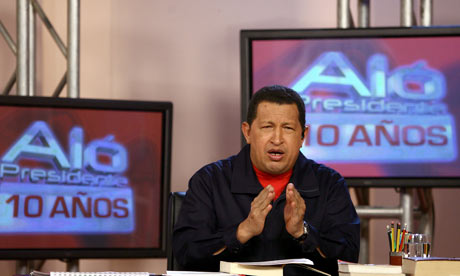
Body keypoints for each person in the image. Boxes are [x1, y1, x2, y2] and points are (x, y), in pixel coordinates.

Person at [172, 85, 360, 275]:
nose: (277, 139)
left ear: (303, 135)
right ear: (247, 132)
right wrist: (242, 232)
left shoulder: (329, 184)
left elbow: (349, 258)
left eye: (287, 128)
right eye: (267, 127)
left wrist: (303, 232)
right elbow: (186, 253)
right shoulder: (210, 181)